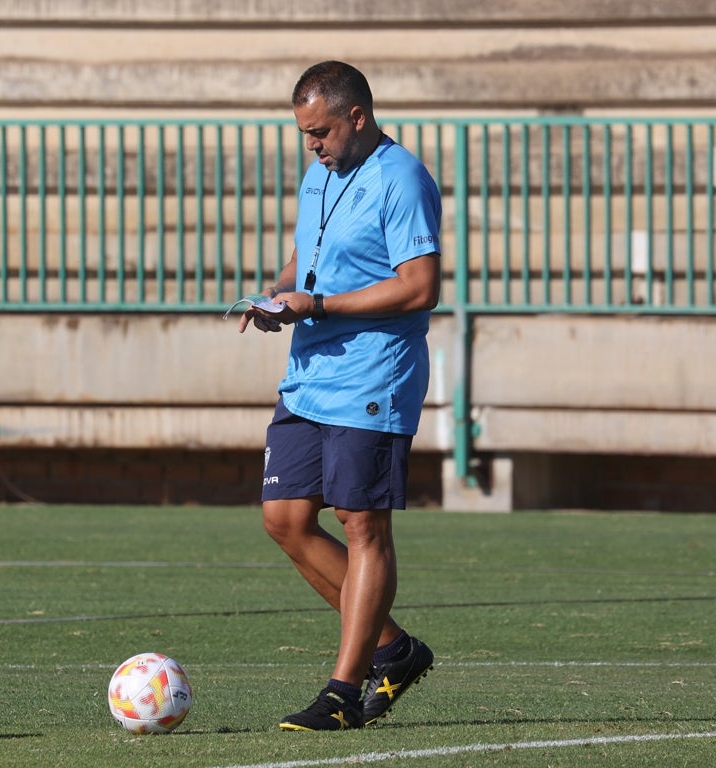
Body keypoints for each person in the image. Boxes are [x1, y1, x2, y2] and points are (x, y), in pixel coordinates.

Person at [236, 60, 440, 731]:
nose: (312, 144)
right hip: (310, 374)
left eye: (320, 131)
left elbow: (420, 286)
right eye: (304, 133)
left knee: (362, 523)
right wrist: (278, 294)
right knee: (284, 518)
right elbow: (309, 256)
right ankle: (395, 650)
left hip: (371, 376)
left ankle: (343, 692)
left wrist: (319, 304)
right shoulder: (320, 173)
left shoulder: (401, 178)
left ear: (358, 116)